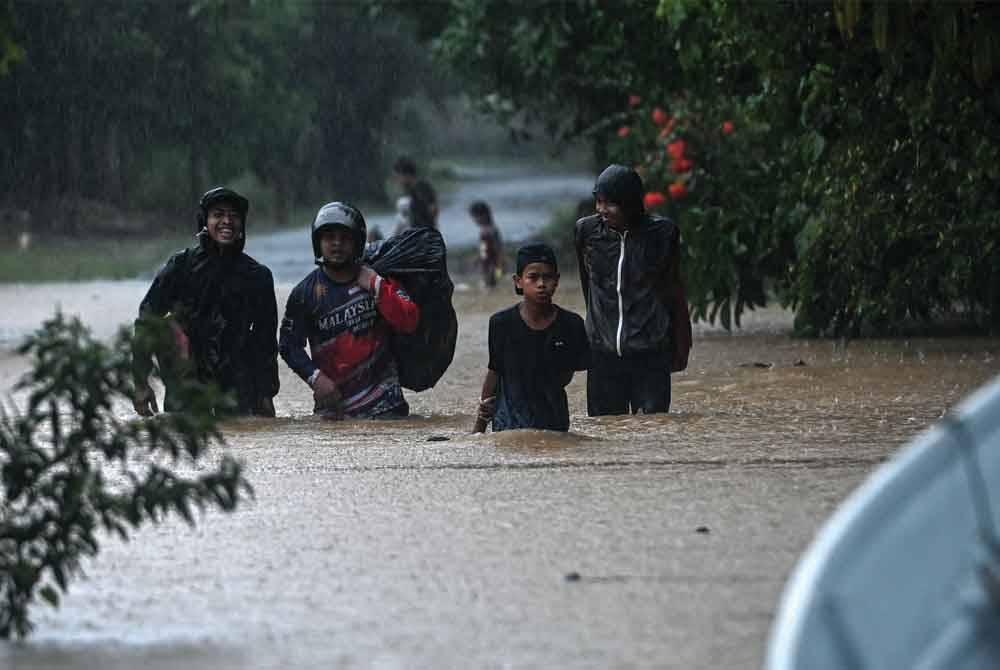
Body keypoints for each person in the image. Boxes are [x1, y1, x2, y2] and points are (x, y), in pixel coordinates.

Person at [132, 187, 279, 417]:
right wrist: (140, 383)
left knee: (245, 434)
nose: (226, 221)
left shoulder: (257, 276)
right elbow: (146, 320)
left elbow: (266, 340)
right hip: (186, 378)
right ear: (205, 221)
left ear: (241, 224)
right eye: (218, 214)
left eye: (233, 216)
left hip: (237, 381)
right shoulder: (180, 266)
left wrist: (266, 393)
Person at [279, 201, 420, 419]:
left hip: (387, 409)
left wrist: (377, 286)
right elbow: (288, 345)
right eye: (329, 237)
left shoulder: (380, 280)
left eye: (345, 238)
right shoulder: (304, 293)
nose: (337, 244)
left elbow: (410, 321)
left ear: (358, 243)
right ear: (318, 242)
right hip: (333, 412)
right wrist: (315, 378)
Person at [574, 164, 692, 416]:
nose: (601, 210)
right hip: (602, 354)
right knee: (605, 431)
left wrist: (681, 343)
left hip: (650, 352)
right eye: (598, 201)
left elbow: (673, 290)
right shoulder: (586, 231)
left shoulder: (662, 233)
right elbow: (589, 285)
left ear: (630, 203)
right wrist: (595, 328)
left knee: (652, 429)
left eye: (610, 204)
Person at [473, 242, 589, 433]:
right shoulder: (501, 323)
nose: (542, 284)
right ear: (518, 281)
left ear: (557, 280)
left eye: (548, 277)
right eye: (533, 277)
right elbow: (494, 371)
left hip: (553, 420)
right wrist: (479, 428)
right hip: (508, 424)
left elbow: (568, 374)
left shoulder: (571, 324)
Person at [392, 155, 438, 229]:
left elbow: (433, 210)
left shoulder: (421, 188)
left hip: (424, 234)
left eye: (397, 177)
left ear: (406, 175)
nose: (397, 181)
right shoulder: (411, 190)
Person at [469, 200, 503, 288]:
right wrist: (477, 258)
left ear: (483, 216)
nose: (474, 220)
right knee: (488, 283)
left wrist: (499, 265)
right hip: (488, 263)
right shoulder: (488, 230)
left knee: (490, 284)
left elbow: (496, 249)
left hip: (491, 264)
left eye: (475, 217)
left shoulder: (489, 231)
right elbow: (484, 249)